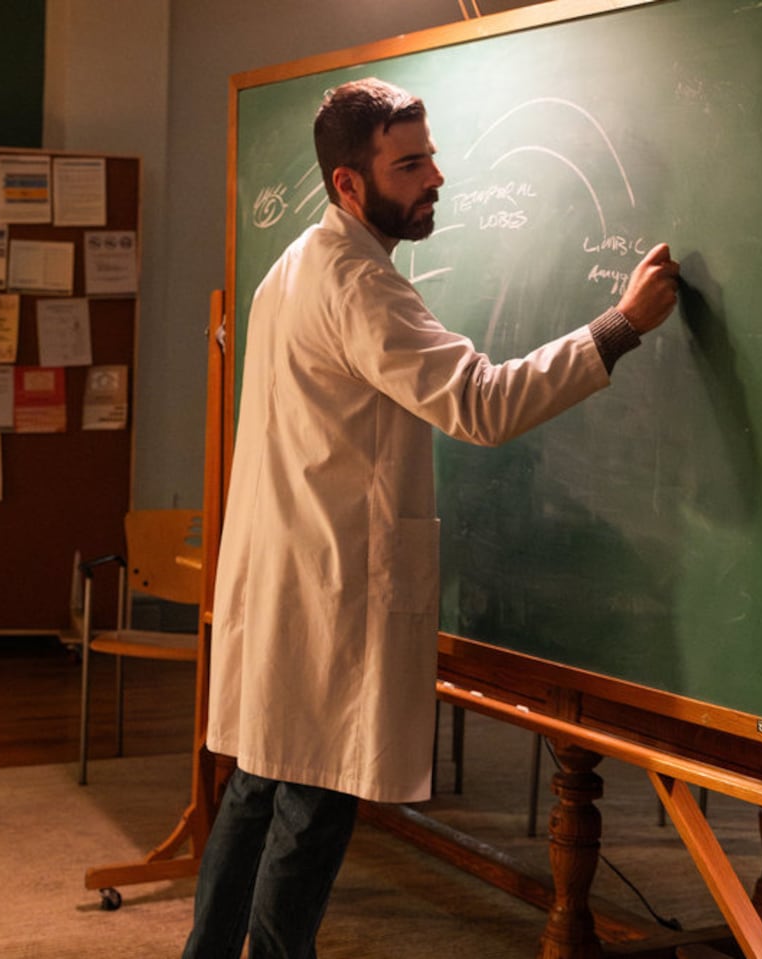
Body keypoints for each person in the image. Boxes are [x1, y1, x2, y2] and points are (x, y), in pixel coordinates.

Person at [183, 78, 680, 957]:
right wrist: (620, 326)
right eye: (409, 163)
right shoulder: (359, 285)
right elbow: (481, 405)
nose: (435, 176)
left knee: (258, 786)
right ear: (348, 183)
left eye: (431, 155)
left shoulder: (291, 266)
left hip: (289, 578)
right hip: (328, 587)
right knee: (309, 800)